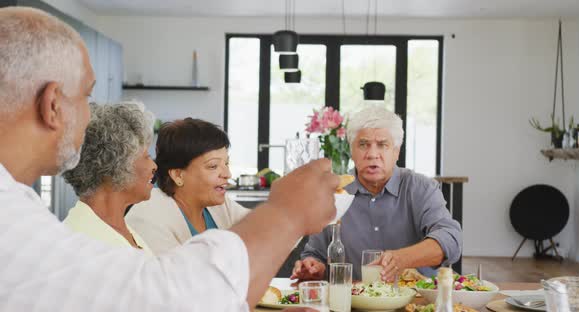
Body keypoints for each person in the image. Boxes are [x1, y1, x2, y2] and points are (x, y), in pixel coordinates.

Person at [0, 7, 337, 311]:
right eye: (87, 95)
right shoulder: (14, 222)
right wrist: (287, 212)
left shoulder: (22, 208)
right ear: (54, 105)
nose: (90, 117)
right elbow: (166, 298)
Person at [292, 106, 462, 282]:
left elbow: (451, 240)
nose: (372, 154)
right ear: (351, 150)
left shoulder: (421, 188)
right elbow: (314, 254)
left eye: (382, 145)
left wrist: (402, 259)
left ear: (396, 152)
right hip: (353, 303)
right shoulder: (330, 193)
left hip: (416, 302)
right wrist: (313, 267)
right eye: (363, 145)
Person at [126, 118, 250, 255]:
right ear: (178, 175)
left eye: (226, 164)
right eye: (213, 166)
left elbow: (261, 227)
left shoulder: (221, 205)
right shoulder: (148, 216)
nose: (227, 174)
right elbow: (174, 274)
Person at [62, 102, 156, 255]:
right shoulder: (83, 241)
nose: (154, 165)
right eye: (146, 157)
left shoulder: (123, 230)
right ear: (116, 164)